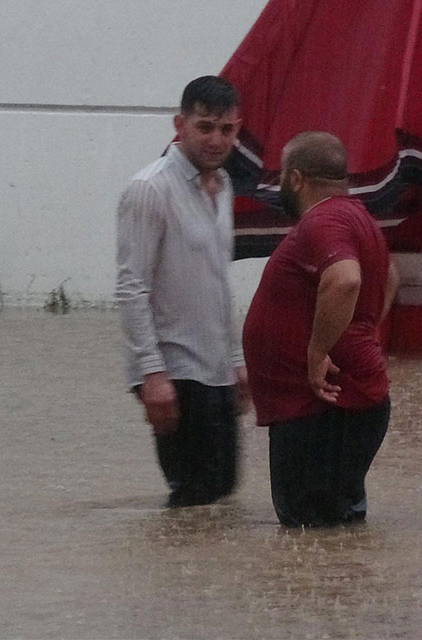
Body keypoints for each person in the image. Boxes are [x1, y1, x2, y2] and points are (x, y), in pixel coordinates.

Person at [242, 131, 400, 527]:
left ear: (295, 179)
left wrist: (317, 352)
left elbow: (345, 280)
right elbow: (390, 277)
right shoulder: (358, 217)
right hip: (339, 403)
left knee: (307, 537)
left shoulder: (323, 220)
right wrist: (358, 333)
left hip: (319, 407)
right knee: (334, 538)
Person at [115, 76, 249, 508]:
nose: (215, 139)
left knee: (223, 490)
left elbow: (216, 285)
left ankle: (196, 576)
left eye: (226, 130)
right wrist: (152, 375)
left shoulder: (224, 187)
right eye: (204, 127)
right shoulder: (149, 189)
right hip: (174, 371)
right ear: (180, 124)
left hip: (216, 369)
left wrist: (238, 363)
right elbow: (132, 287)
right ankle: (172, 575)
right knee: (194, 497)